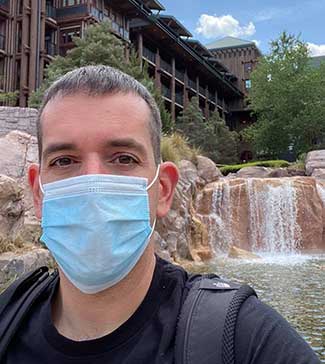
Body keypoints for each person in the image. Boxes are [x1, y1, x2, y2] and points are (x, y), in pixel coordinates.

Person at [1, 65, 320, 363]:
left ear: (164, 190)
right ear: (39, 192)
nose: (93, 184)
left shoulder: (246, 339)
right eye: (64, 161)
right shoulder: (7, 320)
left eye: (123, 159)